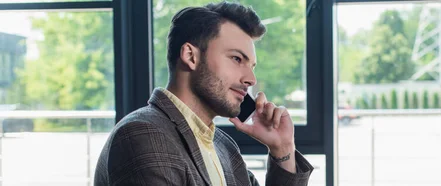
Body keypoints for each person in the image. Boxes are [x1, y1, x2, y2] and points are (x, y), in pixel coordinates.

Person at [94, 2, 314, 185]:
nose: (251, 79)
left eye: (252, 66)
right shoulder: (143, 135)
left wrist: (282, 148)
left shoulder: (223, 146)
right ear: (191, 56)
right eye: (237, 59)